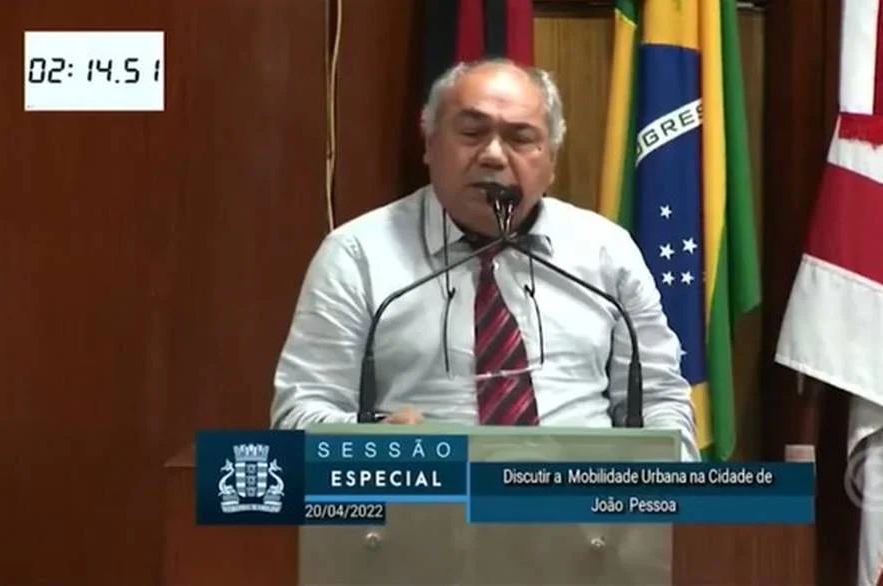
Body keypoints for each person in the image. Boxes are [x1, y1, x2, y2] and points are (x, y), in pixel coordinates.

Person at [271, 58, 699, 461]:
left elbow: (659, 400)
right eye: (472, 133)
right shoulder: (358, 254)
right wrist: (378, 443)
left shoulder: (605, 250)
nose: (493, 155)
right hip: (426, 500)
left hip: (585, 501)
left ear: (551, 159)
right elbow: (299, 414)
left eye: (520, 138)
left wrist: (669, 489)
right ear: (430, 145)